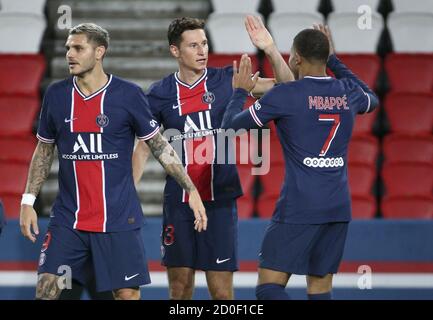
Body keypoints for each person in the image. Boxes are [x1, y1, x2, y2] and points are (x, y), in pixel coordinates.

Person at [19, 23, 207, 300]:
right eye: (68, 47)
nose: (69, 53)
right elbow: (44, 150)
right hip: (69, 221)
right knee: (47, 291)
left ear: (99, 52)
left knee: (127, 295)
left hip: (118, 220)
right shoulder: (57, 96)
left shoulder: (128, 95)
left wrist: (190, 189)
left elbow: (158, 145)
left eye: (78, 48)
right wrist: (27, 201)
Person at [132, 16, 292, 300]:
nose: (202, 51)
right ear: (175, 51)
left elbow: (288, 86)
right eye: (193, 45)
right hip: (179, 204)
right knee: (179, 290)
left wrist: (270, 49)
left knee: (221, 292)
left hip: (219, 201)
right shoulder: (158, 94)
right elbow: (144, 147)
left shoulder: (227, 80)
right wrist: (128, 192)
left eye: (204, 44)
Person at [221, 25, 379, 300]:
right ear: (325, 55)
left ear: (296, 59)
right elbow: (372, 99)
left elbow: (229, 128)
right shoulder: (347, 92)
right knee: (320, 288)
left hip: (299, 206)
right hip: (337, 207)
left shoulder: (285, 96)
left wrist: (239, 91)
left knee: (269, 288)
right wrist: (335, 60)